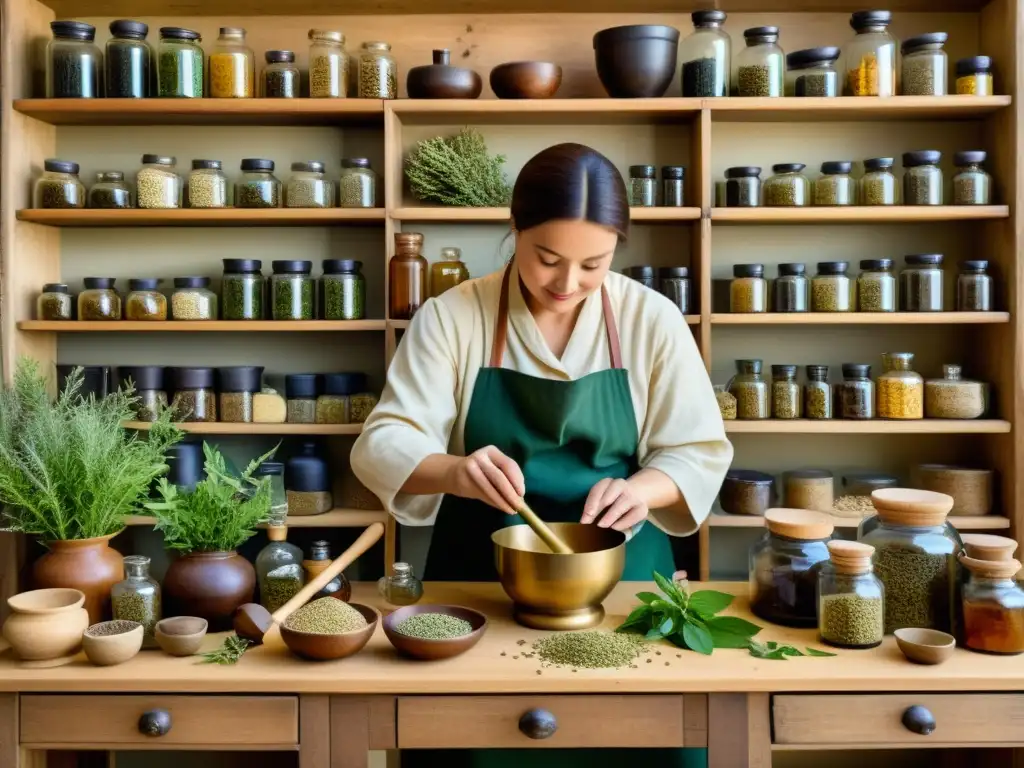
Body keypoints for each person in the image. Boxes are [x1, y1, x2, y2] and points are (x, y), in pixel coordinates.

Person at [351, 143, 732, 767]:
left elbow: (696, 449)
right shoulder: (453, 316)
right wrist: (457, 471)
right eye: (546, 258)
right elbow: (385, 441)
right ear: (514, 230)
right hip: (483, 571)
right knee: (471, 737)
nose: (567, 283)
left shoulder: (652, 319)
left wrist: (642, 489)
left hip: (618, 575)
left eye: (594, 264)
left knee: (647, 736)